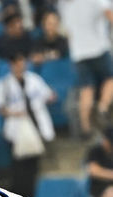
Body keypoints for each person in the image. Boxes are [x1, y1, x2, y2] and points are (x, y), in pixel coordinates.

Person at [0, 52, 55, 197]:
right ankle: (20, 193)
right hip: (17, 128)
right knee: (19, 163)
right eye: (17, 63)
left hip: (36, 123)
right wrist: (15, 113)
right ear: (11, 65)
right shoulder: (4, 83)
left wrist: (49, 97)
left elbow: (49, 95)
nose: (20, 66)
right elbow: (0, 107)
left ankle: (31, 193)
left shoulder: (34, 79)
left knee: (34, 161)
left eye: (22, 63)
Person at [58, 0, 113, 137]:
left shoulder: (63, 4)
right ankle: (102, 108)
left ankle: (86, 127)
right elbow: (109, 14)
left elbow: (65, 30)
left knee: (86, 89)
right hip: (99, 48)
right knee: (110, 79)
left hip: (79, 53)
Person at [86, 127, 113, 197]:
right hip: (96, 190)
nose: (103, 141)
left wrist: (103, 173)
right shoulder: (96, 151)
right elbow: (93, 171)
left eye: (106, 139)